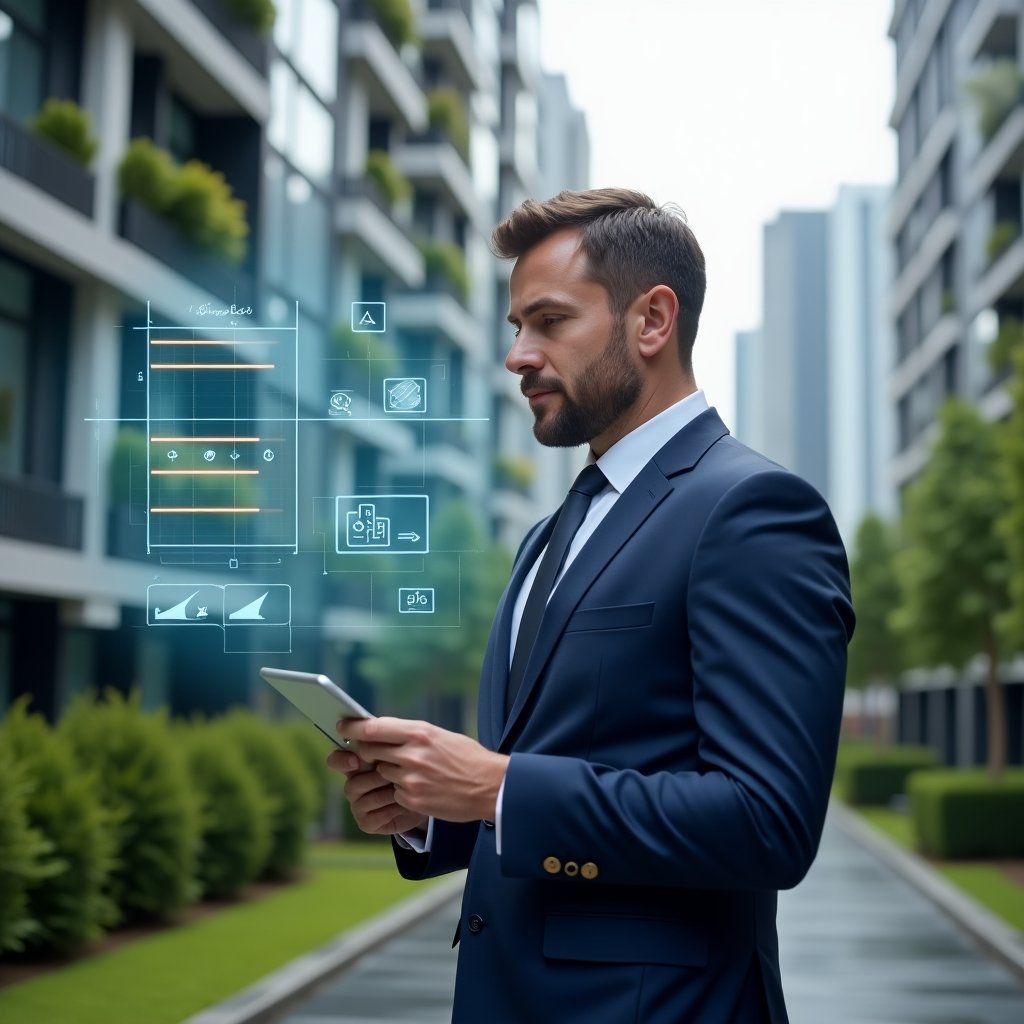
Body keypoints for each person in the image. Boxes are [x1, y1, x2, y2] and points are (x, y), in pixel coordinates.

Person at [330, 188, 854, 1024]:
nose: (518, 355)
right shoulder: (547, 535)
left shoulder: (754, 511)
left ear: (652, 321)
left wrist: (500, 788)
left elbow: (767, 823)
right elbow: (552, 765)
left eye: (549, 321)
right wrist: (433, 811)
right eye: (515, 328)